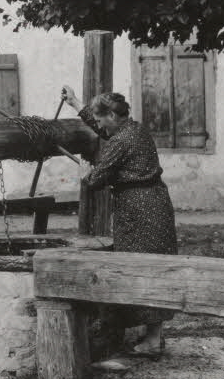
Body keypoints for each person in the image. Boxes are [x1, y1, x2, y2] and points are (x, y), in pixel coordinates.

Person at [61, 85, 178, 355]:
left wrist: (85, 172)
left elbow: (95, 180)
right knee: (153, 268)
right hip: (155, 204)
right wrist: (76, 103)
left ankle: (150, 340)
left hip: (138, 211)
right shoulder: (134, 129)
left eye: (100, 118)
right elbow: (104, 131)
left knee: (139, 268)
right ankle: (153, 336)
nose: (99, 124)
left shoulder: (122, 142)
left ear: (112, 117)